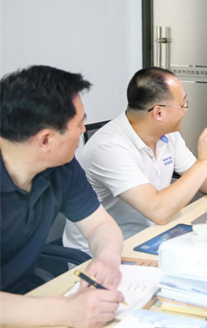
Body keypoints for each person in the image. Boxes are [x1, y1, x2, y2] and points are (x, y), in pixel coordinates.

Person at [63, 67, 207, 253]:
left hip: (153, 235)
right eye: (183, 104)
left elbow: (201, 178)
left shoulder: (167, 133)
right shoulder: (109, 147)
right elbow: (158, 211)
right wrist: (205, 161)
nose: (186, 109)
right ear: (159, 113)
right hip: (105, 253)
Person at [0, 65, 124, 327]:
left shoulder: (60, 166)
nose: (83, 130)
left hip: (28, 301)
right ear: (45, 140)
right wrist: (66, 311)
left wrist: (107, 258)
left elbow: (99, 225)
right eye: (79, 124)